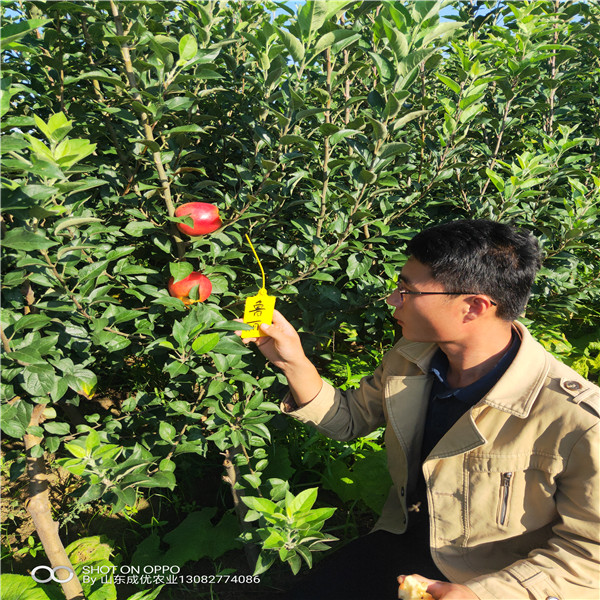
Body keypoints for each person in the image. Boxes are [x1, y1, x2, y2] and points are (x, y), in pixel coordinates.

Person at [236, 219, 599, 600]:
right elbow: (350, 421)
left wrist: (482, 594)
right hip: (401, 541)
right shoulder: (411, 360)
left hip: (493, 578)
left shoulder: (576, 419)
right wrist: (293, 361)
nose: (392, 300)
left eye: (407, 290)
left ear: (473, 307)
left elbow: (589, 557)